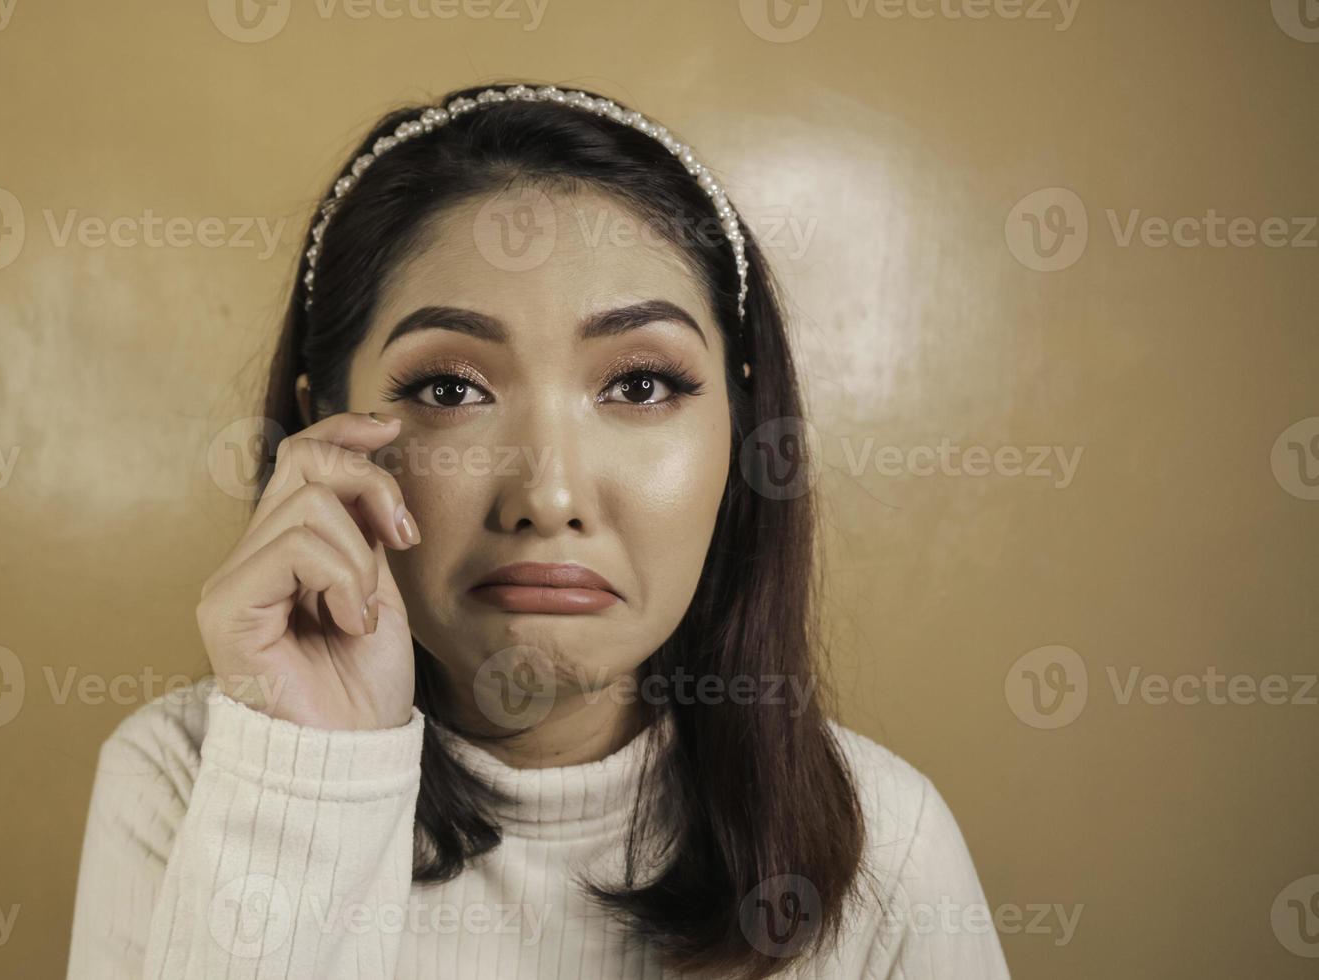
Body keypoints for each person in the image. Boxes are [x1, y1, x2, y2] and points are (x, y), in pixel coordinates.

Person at [66, 81, 1011, 979]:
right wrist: (309, 775)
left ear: (739, 432)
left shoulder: (885, 841)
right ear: (325, 434)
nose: (548, 495)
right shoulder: (183, 775)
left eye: (640, 385)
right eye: (451, 390)